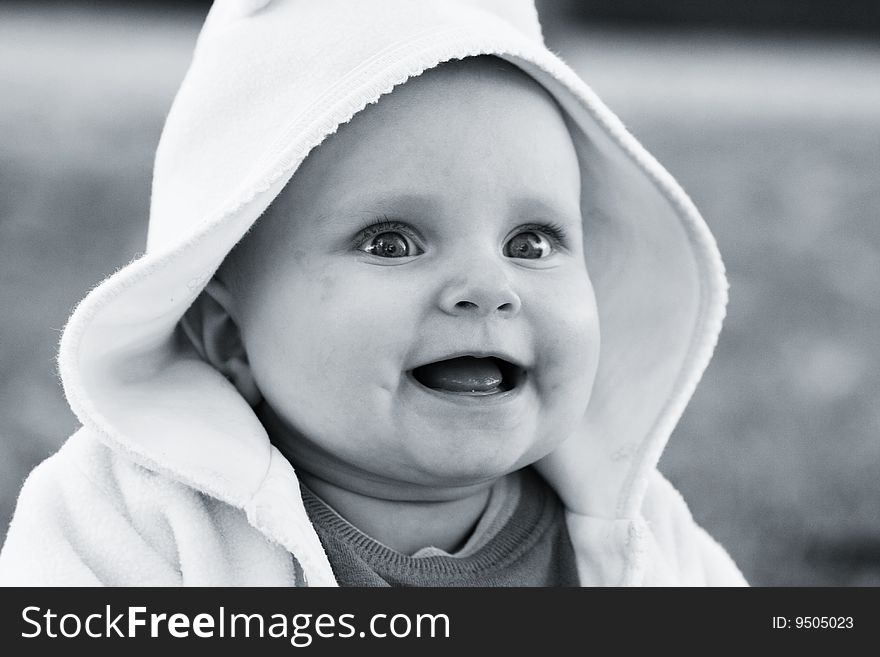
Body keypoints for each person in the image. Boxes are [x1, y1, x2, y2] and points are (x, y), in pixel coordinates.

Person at [0, 0, 746, 586]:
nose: (488, 287)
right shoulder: (133, 522)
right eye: (391, 242)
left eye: (532, 243)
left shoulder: (637, 536)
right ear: (230, 337)